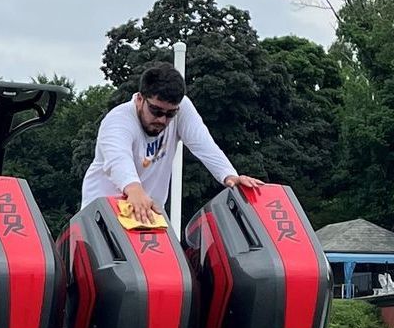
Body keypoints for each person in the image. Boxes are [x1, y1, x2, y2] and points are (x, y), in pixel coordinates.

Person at [81, 60, 266, 229]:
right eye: (156, 111)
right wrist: (134, 190)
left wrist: (229, 176)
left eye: (170, 114)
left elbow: (203, 143)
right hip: (102, 217)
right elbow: (117, 160)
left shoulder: (182, 108)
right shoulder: (117, 120)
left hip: (148, 216)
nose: (162, 120)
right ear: (139, 99)